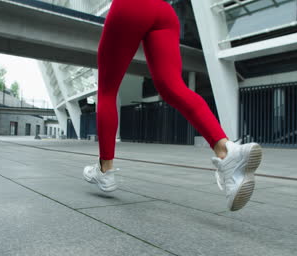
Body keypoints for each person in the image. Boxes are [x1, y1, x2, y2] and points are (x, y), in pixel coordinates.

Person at [83, 0, 262, 211]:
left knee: (107, 90)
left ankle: (105, 171)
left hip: (130, 6)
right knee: (173, 88)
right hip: (163, 11)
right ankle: (227, 152)